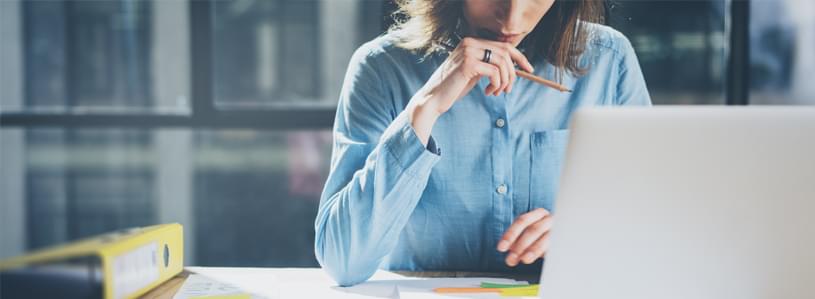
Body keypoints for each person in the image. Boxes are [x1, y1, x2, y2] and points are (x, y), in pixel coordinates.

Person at [314, 0, 651, 286]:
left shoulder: (610, 60)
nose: (513, 19)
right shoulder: (380, 68)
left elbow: (654, 230)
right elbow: (343, 261)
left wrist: (587, 231)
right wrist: (425, 108)